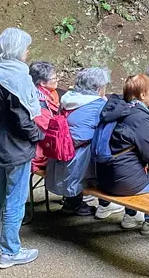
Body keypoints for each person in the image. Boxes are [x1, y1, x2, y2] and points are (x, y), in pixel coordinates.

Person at [0, 28, 43, 269]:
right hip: (17, 148)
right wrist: (39, 135)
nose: (27, 51)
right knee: (15, 198)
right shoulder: (18, 78)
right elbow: (23, 120)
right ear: (17, 49)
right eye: (25, 47)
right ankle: (10, 251)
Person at [94, 74, 149, 237]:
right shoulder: (139, 117)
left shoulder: (115, 108)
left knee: (143, 168)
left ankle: (134, 216)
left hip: (103, 177)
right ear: (142, 94)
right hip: (122, 182)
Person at [46, 67, 114, 217]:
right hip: (79, 160)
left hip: (59, 153)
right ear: (97, 88)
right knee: (104, 149)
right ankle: (106, 204)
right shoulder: (97, 105)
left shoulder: (67, 98)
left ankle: (73, 202)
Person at [30, 61, 59, 172]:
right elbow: (48, 130)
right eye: (54, 78)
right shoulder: (39, 103)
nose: (57, 80)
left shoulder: (46, 95)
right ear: (42, 83)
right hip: (37, 153)